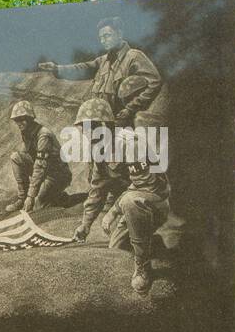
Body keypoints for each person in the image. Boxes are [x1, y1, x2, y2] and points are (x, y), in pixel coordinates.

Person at [70, 97, 170, 294]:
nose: (87, 133)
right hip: (131, 204)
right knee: (116, 247)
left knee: (130, 201)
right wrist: (85, 225)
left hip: (153, 201)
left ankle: (143, 268)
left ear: (105, 125)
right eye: (84, 128)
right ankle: (151, 242)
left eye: (91, 126)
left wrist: (113, 212)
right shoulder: (100, 149)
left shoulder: (129, 142)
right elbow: (97, 189)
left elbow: (144, 186)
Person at [39, 16, 162, 128]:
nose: (103, 41)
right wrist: (57, 68)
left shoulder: (134, 57)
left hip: (121, 124)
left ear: (119, 34)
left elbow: (154, 82)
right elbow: (82, 68)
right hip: (98, 123)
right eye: (101, 38)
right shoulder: (103, 61)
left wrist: (130, 109)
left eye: (107, 36)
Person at [6, 100, 71, 212]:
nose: (19, 123)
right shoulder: (26, 132)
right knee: (15, 157)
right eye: (17, 120)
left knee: (39, 206)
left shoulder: (44, 135)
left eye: (22, 119)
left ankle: (60, 197)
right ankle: (22, 198)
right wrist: (28, 195)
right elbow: (30, 157)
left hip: (58, 175)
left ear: (30, 119)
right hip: (46, 170)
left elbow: (40, 165)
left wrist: (31, 196)